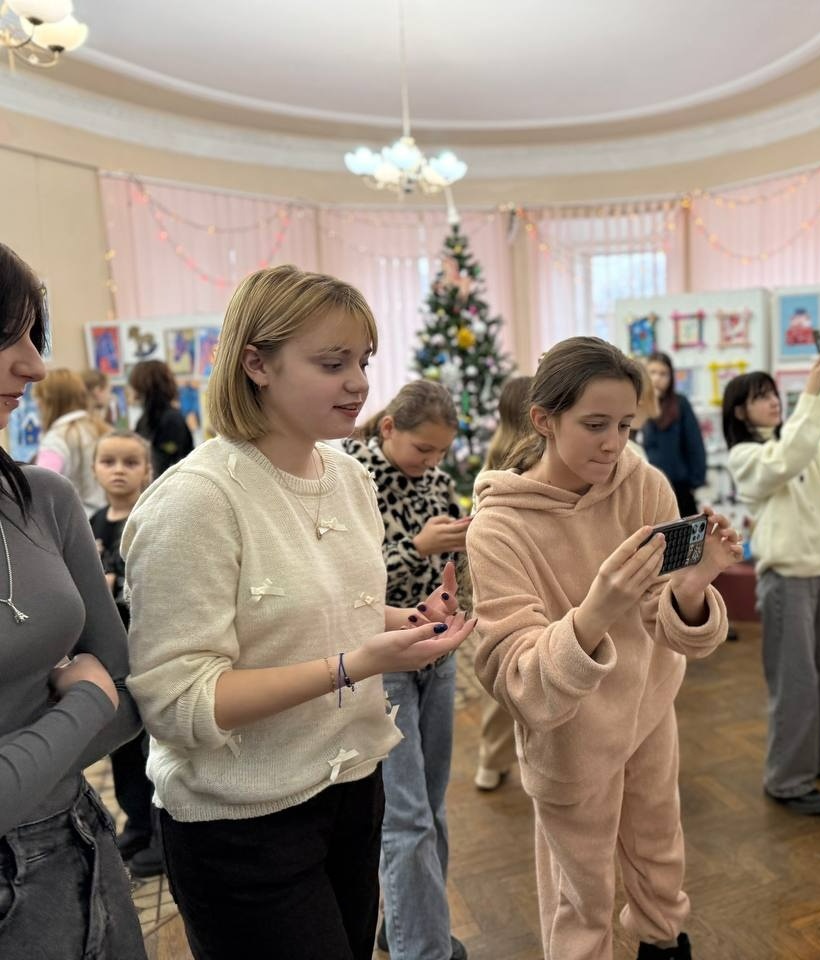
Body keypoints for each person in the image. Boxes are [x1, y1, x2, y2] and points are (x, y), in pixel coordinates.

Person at [123, 265, 475, 960]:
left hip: (351, 787)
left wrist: (400, 619)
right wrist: (354, 664)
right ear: (257, 363)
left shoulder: (348, 476)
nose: (359, 383)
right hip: (241, 823)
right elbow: (178, 702)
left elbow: (321, 608)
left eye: (363, 361)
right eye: (332, 363)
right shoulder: (195, 501)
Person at [468, 336, 742, 960]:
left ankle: (663, 944)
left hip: (648, 712)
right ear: (544, 420)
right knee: (581, 900)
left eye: (625, 425)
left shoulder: (643, 484)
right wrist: (596, 611)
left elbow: (668, 625)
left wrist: (695, 583)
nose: (614, 444)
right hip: (569, 738)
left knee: (660, 862)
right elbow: (517, 679)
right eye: (595, 425)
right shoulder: (499, 526)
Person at [0, 242, 145, 957]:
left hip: (81, 843)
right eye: (7, 337)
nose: (33, 365)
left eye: (35, 337)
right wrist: (83, 701)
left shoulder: (41, 497)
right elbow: (103, 693)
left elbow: (127, 690)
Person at [344, 380, 470, 960]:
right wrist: (416, 547)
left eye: (441, 451)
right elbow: (348, 584)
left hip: (436, 654)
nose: (432, 461)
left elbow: (448, 571)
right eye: (423, 448)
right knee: (407, 815)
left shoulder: (438, 482)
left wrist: (461, 548)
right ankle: (422, 948)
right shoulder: (351, 479)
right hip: (385, 657)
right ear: (389, 427)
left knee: (432, 806)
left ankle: (413, 926)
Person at [723, 360, 820, 816]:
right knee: (796, 685)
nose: (773, 401)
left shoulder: (794, 444)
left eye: (773, 393)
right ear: (740, 412)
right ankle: (786, 779)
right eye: (761, 396)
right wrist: (812, 396)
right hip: (785, 582)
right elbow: (786, 458)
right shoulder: (746, 457)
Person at [89, 430, 165, 877]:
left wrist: (113, 584)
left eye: (130, 462)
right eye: (109, 461)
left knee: (152, 743)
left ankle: (160, 832)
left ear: (147, 471)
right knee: (121, 744)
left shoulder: (149, 517)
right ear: (95, 469)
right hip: (110, 655)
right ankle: (136, 822)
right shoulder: (92, 522)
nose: (119, 470)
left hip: (146, 647)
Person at [469, 375, 533, 793]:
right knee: (514, 674)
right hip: (514, 579)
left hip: (499, 585)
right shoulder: (511, 467)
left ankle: (491, 762)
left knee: (505, 679)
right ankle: (493, 761)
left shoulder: (492, 461)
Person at [33, 367, 110, 513]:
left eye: (39, 398)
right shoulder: (102, 429)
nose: (37, 404)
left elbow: (41, 487)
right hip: (106, 516)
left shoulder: (56, 438)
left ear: (50, 401)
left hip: (74, 518)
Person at [642, 351, 706, 518]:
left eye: (663, 374)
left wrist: (695, 481)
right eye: (652, 372)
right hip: (646, 487)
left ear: (671, 378)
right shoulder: (637, 404)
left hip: (679, 486)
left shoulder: (680, 403)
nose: (657, 378)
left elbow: (695, 444)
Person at [128, 358, 195, 476]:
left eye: (133, 384)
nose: (130, 390)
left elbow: (165, 466)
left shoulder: (170, 420)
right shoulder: (144, 420)